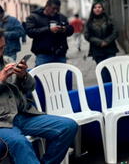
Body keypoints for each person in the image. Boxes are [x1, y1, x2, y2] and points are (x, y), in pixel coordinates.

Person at [0, 29, 78, 164]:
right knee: (20, 143)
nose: (1, 52)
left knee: (68, 126)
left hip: (22, 115)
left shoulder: (6, 60)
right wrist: (1, 80)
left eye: (2, 48)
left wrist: (23, 76)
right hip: (2, 123)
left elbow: (30, 87)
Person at [25, 0, 74, 66]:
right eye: (53, 8)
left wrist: (64, 29)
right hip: (43, 54)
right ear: (47, 6)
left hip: (60, 53)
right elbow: (30, 32)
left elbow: (70, 30)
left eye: (57, 9)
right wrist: (48, 29)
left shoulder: (61, 17)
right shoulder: (34, 17)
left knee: (61, 75)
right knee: (42, 75)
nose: (55, 11)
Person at [84, 2, 118, 69]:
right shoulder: (89, 22)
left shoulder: (109, 20)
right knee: (103, 72)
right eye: (95, 7)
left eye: (99, 7)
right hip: (97, 50)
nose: (97, 9)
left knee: (112, 70)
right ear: (92, 10)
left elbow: (115, 32)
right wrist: (100, 42)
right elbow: (87, 35)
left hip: (110, 48)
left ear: (102, 9)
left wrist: (107, 41)